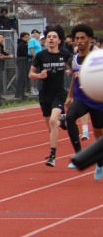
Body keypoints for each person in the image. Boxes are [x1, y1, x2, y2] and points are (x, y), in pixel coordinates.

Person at [64, 24, 103, 175]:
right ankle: (78, 154)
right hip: (81, 98)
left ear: (90, 40)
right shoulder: (74, 59)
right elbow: (74, 78)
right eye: (77, 38)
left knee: (99, 134)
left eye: (82, 38)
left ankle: (100, 163)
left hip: (97, 100)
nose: (79, 41)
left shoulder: (97, 58)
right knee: (69, 117)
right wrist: (70, 95)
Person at [29, 26, 70, 167]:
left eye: (54, 37)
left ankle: (52, 156)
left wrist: (72, 71)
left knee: (53, 121)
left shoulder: (65, 55)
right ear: (46, 40)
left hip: (59, 94)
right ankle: (62, 122)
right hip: (45, 95)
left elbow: (73, 67)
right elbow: (30, 74)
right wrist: (38, 75)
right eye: (49, 37)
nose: (51, 39)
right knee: (51, 127)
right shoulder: (41, 55)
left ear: (59, 40)